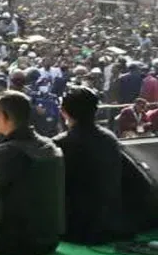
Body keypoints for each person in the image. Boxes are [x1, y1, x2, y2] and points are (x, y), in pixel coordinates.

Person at [0, 90, 65, 255]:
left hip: (14, 244)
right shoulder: (50, 146)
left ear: (4, 117)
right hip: (50, 239)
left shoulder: (5, 153)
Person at [53, 86, 127, 245]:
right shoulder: (110, 139)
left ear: (63, 111)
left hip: (75, 229)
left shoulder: (60, 144)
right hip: (110, 224)